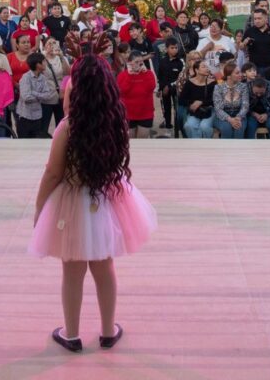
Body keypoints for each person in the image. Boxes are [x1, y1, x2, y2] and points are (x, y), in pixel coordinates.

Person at [29, 51, 156, 352]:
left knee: (72, 271)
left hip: (71, 202)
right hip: (106, 200)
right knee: (104, 267)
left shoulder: (68, 127)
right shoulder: (115, 121)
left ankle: (71, 334)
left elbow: (52, 174)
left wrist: (39, 209)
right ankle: (108, 330)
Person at [118, 51, 157, 138]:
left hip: (145, 113)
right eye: (136, 62)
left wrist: (145, 73)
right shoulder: (122, 75)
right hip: (128, 114)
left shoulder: (149, 73)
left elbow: (151, 88)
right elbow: (122, 91)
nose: (139, 64)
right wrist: (130, 76)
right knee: (130, 143)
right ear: (129, 63)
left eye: (141, 62)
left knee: (142, 143)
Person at [17, 53, 56, 139]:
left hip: (37, 116)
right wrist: (40, 96)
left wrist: (33, 92)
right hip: (24, 116)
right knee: (23, 144)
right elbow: (26, 97)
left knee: (35, 143)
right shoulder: (26, 77)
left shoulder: (43, 78)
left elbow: (48, 96)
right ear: (38, 64)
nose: (46, 63)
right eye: (44, 61)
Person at [211, 60, 249, 140]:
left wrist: (238, 118)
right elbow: (218, 109)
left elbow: (245, 106)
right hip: (222, 116)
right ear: (229, 76)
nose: (240, 75)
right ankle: (225, 152)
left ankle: (238, 152)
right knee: (226, 128)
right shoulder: (218, 88)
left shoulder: (243, 87)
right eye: (237, 73)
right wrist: (230, 119)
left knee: (239, 128)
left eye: (240, 72)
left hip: (239, 116)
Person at [179, 58, 216, 139]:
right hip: (195, 111)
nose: (207, 68)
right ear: (196, 70)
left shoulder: (212, 82)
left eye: (207, 67)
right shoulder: (189, 83)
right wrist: (192, 103)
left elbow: (215, 100)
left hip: (209, 110)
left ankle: (206, 146)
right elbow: (181, 100)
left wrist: (201, 102)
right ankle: (196, 146)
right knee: (188, 126)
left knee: (204, 127)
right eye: (203, 67)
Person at [155, 39, 184, 134]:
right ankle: (168, 125)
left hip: (176, 90)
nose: (174, 50)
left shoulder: (180, 61)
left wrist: (169, 86)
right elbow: (160, 76)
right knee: (166, 109)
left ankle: (179, 126)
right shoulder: (163, 61)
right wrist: (160, 89)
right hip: (164, 90)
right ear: (166, 49)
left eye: (176, 48)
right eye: (172, 48)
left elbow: (181, 78)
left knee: (177, 109)